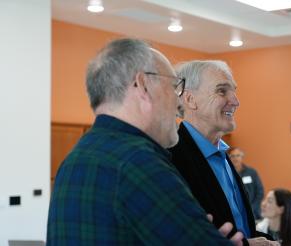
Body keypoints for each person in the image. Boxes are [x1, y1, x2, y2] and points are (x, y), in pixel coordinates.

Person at [46, 38, 244, 245]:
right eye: (175, 86)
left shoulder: (75, 158)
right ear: (142, 85)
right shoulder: (139, 162)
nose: (179, 102)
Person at [169, 60, 277, 246]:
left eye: (234, 91)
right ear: (189, 100)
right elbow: (176, 235)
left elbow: (238, 227)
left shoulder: (223, 155)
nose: (235, 101)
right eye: (222, 91)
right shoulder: (171, 157)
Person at [229, 147, 265, 220]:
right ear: (229, 158)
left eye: (238, 155)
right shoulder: (226, 173)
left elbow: (260, 192)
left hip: (254, 214)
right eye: (232, 156)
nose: (235, 158)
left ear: (242, 157)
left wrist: (251, 208)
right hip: (234, 214)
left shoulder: (251, 172)